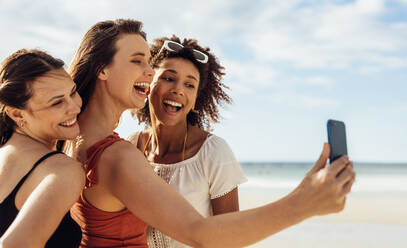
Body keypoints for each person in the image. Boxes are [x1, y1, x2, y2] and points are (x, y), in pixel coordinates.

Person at [68, 19, 355, 248]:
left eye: (190, 84)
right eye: (139, 62)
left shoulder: (72, 140)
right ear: (102, 69)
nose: (149, 72)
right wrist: (304, 203)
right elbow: (200, 233)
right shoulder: (121, 152)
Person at [129, 35, 248, 248]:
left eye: (189, 85)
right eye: (168, 78)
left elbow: (230, 239)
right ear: (148, 84)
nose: (178, 89)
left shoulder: (213, 152)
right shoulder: (129, 148)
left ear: (195, 102)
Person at [0, 49, 84, 248]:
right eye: (57, 102)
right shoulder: (61, 170)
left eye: (72, 92)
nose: (74, 107)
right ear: (17, 114)